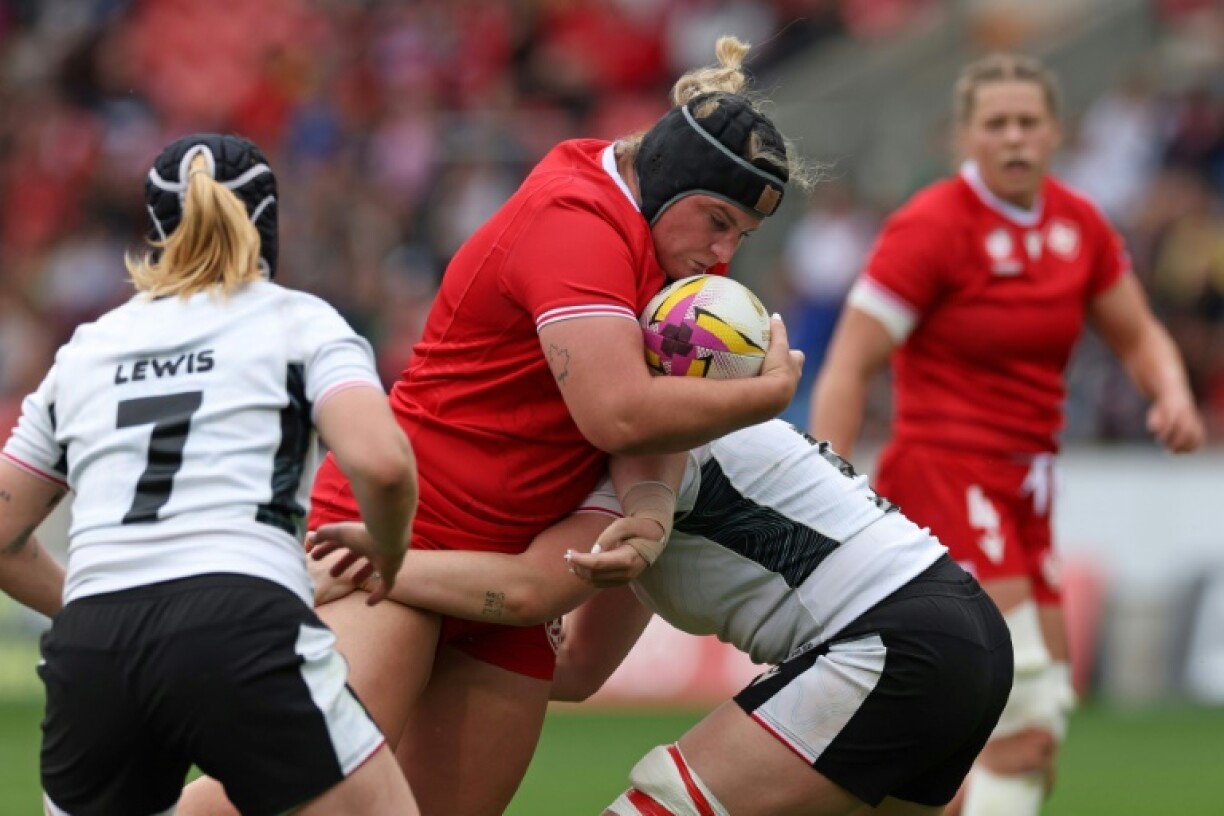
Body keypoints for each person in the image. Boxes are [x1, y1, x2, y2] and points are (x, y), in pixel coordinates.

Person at [179, 35, 813, 816]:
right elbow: (616, 411)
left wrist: (647, 512)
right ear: (671, 182)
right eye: (716, 221)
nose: (722, 253)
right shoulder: (577, 216)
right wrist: (769, 391)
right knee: (306, 792)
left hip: (505, 560)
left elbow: (649, 425)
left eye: (740, 238)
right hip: (402, 531)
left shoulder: (673, 253)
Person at [808, 53, 1206, 816]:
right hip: (945, 475)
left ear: (1056, 130)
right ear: (965, 136)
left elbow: (1137, 332)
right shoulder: (930, 227)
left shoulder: (1077, 224)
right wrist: (827, 482)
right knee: (1018, 701)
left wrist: (1173, 392)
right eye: (997, 124)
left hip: (1027, 487)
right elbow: (850, 364)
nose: (1014, 138)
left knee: (1036, 727)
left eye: (1029, 122)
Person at [0, 133, 422, 816]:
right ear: (268, 223)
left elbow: (1, 533)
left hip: (94, 653)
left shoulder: (85, 349)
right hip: (242, 621)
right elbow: (382, 462)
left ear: (157, 230)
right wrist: (390, 548)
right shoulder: (303, 322)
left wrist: (91, 604)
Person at [309, 418, 1014, 816]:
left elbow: (528, 592)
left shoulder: (653, 445)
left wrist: (383, 571)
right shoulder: (668, 474)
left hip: (892, 647)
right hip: (963, 643)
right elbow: (580, 670)